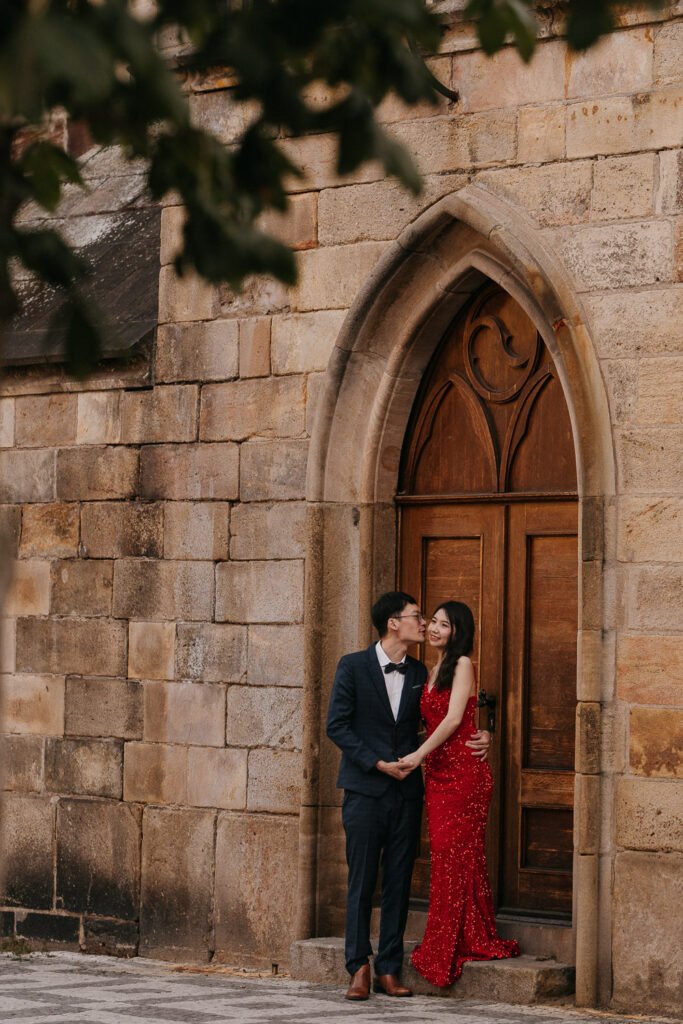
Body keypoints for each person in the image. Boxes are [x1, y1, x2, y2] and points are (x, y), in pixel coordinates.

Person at [326, 592, 490, 1001]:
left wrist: (484, 734)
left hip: (408, 793)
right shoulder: (352, 666)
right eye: (418, 617)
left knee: (399, 880)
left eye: (429, 619)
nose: (424, 624)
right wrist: (377, 763)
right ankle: (357, 967)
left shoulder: (422, 672)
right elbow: (337, 727)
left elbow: (447, 718)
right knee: (362, 880)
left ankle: (389, 968)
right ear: (393, 623)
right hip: (365, 789)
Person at [399, 600, 519, 987]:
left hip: (465, 776)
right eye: (432, 621)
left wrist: (418, 754)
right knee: (447, 856)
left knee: (457, 854)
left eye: (443, 625)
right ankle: (460, 933)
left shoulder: (463, 664)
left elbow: (454, 719)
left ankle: (454, 941)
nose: (433, 628)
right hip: (438, 776)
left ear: (458, 631)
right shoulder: (431, 670)